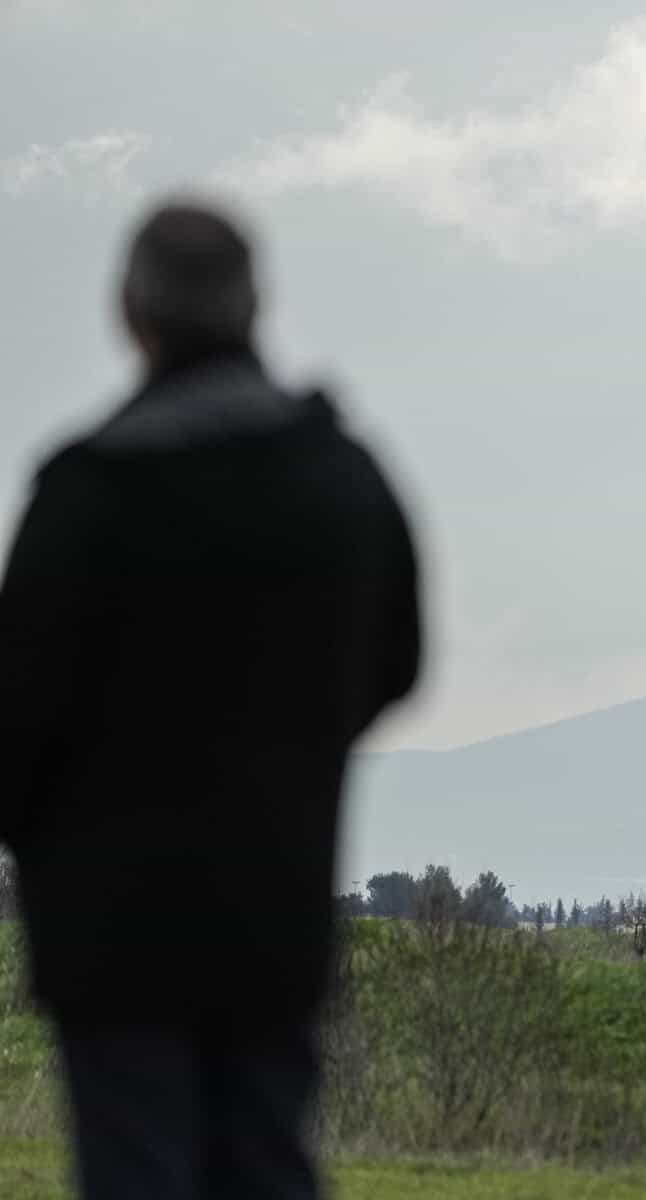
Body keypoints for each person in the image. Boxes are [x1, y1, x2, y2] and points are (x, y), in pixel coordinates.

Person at [0, 199, 422, 1200]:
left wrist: (54, 842)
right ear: (257, 303)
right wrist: (291, 752)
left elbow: (14, 720)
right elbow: (398, 662)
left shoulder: (85, 491)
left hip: (111, 931)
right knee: (269, 1167)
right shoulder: (340, 479)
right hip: (274, 905)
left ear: (129, 311)